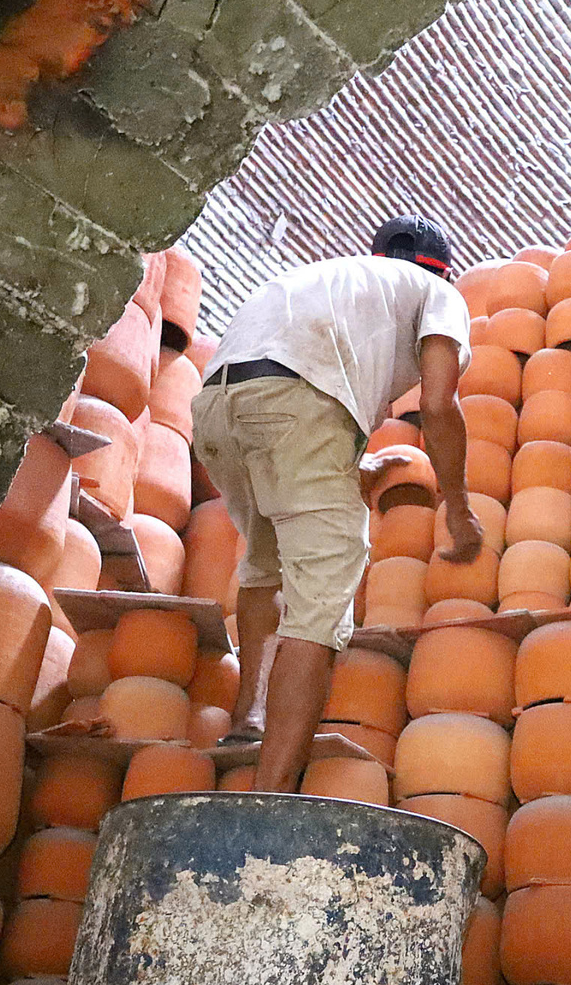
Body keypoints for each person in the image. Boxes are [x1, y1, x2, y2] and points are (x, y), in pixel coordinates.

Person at [190, 215, 482, 794]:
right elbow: (439, 403)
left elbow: (277, 389)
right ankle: (269, 796)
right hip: (299, 404)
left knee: (264, 562)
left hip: (214, 408)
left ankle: (249, 716)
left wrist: (348, 467)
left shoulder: (328, 278)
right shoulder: (438, 294)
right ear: (443, 271)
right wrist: (458, 507)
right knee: (320, 606)